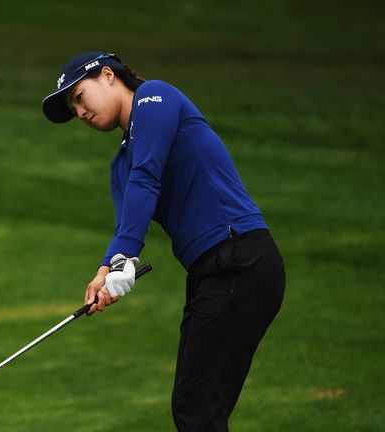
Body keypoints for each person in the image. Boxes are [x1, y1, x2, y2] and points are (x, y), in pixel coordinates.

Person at [41, 52, 285, 432]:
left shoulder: (156, 98)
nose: (79, 113)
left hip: (240, 258)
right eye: (72, 110)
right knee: (194, 405)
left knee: (197, 408)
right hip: (211, 273)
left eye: (79, 97)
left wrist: (125, 257)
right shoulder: (119, 167)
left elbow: (148, 175)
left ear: (108, 76)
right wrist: (106, 271)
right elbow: (128, 221)